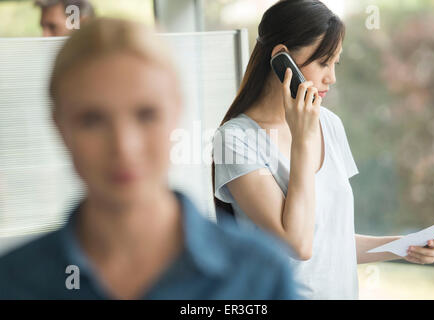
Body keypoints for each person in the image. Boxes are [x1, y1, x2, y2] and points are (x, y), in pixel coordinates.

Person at [0, 18, 298, 300]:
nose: (124, 147)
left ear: (177, 112)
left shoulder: (259, 277)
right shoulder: (13, 281)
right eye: (92, 120)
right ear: (59, 126)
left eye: (146, 115)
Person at [212, 0, 434, 299]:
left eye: (335, 63)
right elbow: (299, 244)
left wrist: (404, 246)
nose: (331, 78)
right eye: (323, 63)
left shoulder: (329, 123)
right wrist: (302, 140)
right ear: (282, 59)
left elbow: (331, 242)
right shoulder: (234, 140)